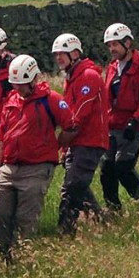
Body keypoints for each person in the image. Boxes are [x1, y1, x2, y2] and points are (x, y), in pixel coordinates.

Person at [0, 54, 72, 258]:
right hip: (9, 168)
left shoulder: (51, 99)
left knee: (25, 218)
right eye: (15, 84)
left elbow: (70, 126)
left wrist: (55, 146)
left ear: (34, 79)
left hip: (36, 169)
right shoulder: (11, 101)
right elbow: (2, 137)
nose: (18, 88)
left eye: (22, 84)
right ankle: (4, 257)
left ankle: (23, 260)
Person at [51, 33, 109, 235]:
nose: (58, 58)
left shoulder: (88, 76)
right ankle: (103, 222)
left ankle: (65, 231)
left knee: (72, 187)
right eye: (56, 54)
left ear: (75, 53)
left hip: (90, 142)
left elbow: (78, 116)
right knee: (79, 187)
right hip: (77, 142)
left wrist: (59, 142)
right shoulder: (72, 78)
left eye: (62, 53)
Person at [101, 22, 139, 211]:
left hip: (133, 126)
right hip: (112, 125)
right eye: (109, 45)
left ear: (127, 43)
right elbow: (107, 99)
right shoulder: (112, 68)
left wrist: (136, 121)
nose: (112, 49)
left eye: (115, 44)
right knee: (107, 168)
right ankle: (113, 208)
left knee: (123, 167)